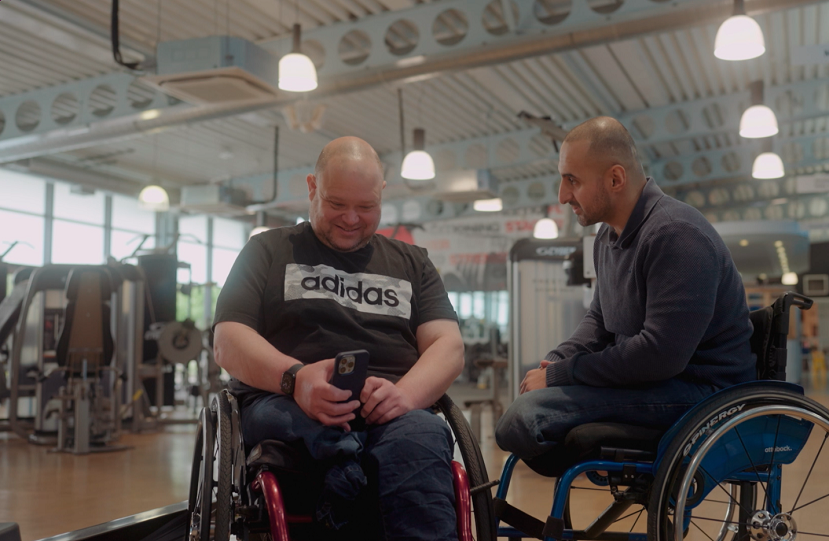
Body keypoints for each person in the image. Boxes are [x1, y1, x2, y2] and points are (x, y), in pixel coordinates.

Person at [213, 136, 465, 539]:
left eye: (366, 207)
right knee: (301, 428)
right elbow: (228, 338)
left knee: (423, 435)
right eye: (336, 204)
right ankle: (342, 480)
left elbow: (448, 346)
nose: (351, 218)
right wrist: (295, 379)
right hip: (286, 401)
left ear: (382, 193)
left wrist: (407, 396)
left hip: (392, 411)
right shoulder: (267, 250)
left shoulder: (413, 263)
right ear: (312, 188)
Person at [494, 117, 755, 460]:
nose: (562, 196)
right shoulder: (607, 237)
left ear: (615, 178)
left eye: (571, 180)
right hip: (657, 384)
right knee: (523, 411)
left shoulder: (676, 235)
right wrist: (555, 363)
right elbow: (599, 321)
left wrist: (563, 376)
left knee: (527, 418)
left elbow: (659, 354)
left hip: (702, 392)